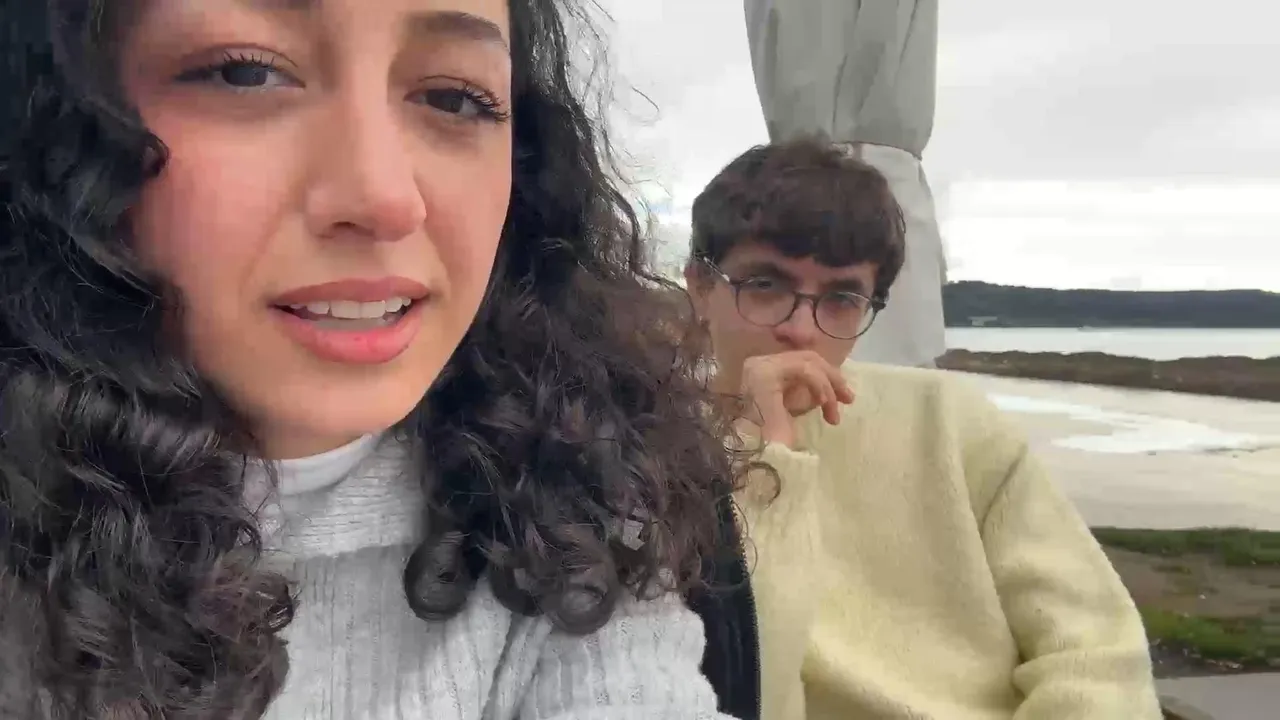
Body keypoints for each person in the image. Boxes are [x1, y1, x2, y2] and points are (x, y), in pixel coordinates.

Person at [0, 1, 745, 718]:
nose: (385, 200)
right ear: (53, 126)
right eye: (245, 72)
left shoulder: (579, 489)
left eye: (455, 98)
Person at [684, 138, 1164, 719]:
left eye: (842, 298)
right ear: (700, 287)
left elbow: (1097, 657)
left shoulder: (951, 422)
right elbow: (743, 680)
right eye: (765, 285)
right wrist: (763, 459)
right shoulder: (648, 458)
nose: (803, 329)